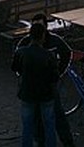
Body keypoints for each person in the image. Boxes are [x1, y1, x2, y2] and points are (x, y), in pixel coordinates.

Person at [15, 14, 75, 147]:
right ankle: (42, 141)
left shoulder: (52, 42)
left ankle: (65, 141)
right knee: (42, 119)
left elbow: (67, 53)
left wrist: (59, 72)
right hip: (42, 89)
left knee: (56, 116)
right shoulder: (26, 44)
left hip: (41, 89)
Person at [12, 22, 59, 147]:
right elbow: (55, 76)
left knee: (27, 125)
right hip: (46, 94)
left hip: (27, 92)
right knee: (49, 124)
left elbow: (15, 68)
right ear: (43, 36)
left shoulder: (21, 52)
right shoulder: (49, 55)